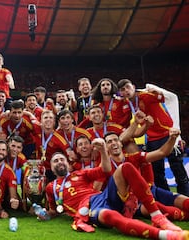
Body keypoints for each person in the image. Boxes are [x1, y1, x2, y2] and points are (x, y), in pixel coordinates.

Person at [42, 150, 188, 239]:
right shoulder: (50, 187)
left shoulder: (81, 173)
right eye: (55, 161)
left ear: (68, 163)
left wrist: (102, 150)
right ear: (52, 167)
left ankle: (157, 217)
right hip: (89, 209)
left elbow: (105, 169)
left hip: (102, 196)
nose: (59, 162)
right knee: (110, 216)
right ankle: (167, 236)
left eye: (62, 159)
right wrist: (44, 213)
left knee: (126, 167)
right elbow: (55, 210)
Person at [118, 79, 189, 196]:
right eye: (123, 90)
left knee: (178, 168)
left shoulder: (146, 96)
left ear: (133, 87)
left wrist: (159, 91)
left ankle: (186, 197)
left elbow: (170, 98)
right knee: (157, 172)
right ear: (121, 93)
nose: (126, 91)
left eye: (127, 87)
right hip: (152, 139)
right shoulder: (127, 105)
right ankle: (167, 198)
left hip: (168, 133)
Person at [104, 130, 189, 221]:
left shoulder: (135, 157)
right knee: (157, 208)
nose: (113, 143)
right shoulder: (104, 166)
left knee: (182, 200)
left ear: (121, 144)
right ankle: (183, 215)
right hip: (130, 201)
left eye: (116, 140)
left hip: (149, 190)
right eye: (109, 142)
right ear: (105, 147)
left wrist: (172, 138)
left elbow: (161, 152)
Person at [0, 140, 20, 215]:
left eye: (3, 150)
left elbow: (13, 194)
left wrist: (14, 201)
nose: (1, 152)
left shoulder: (9, 172)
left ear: (6, 153)